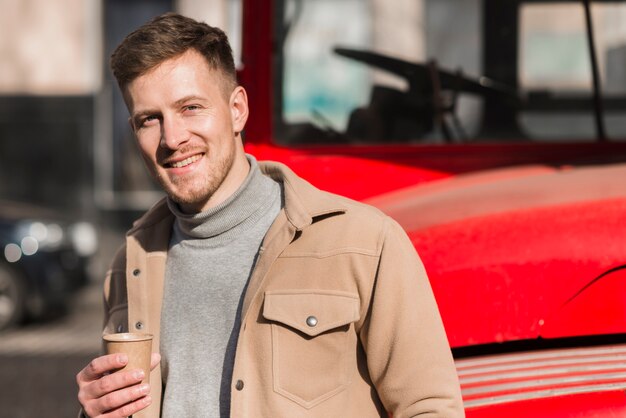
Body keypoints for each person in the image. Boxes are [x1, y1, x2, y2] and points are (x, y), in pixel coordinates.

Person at [76, 12, 465, 418]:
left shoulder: (367, 244)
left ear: (238, 109)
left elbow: (430, 408)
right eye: (149, 120)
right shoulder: (130, 262)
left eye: (190, 107)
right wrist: (95, 411)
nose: (172, 138)